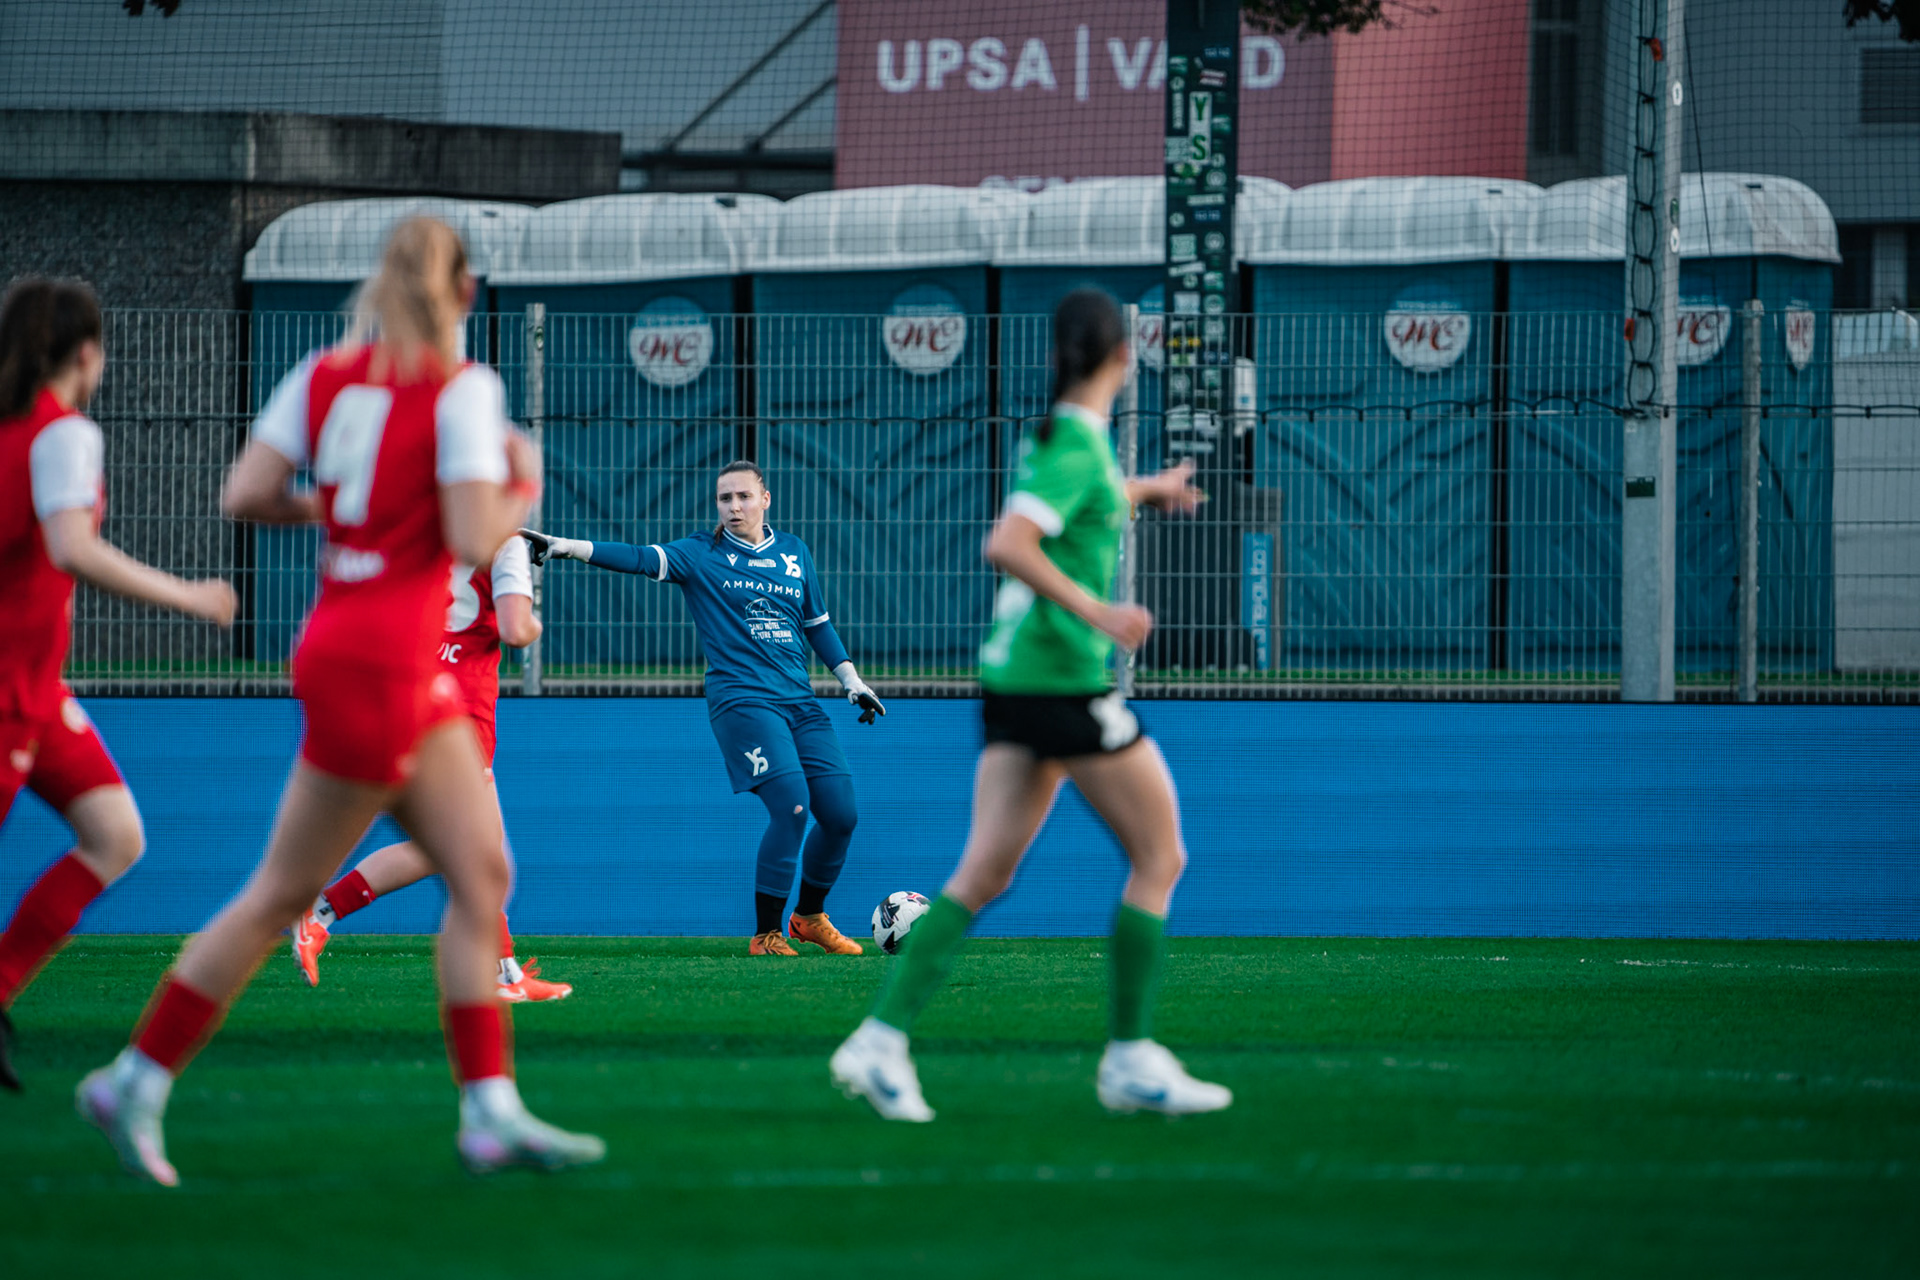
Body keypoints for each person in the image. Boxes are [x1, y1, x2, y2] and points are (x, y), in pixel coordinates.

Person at [75, 217, 604, 1184]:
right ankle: (137, 1076)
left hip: (342, 642)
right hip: (398, 654)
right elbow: (467, 526)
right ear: (463, 292)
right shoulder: (464, 388)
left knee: (476, 872)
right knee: (351, 885)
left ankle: (487, 1109)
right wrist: (519, 483)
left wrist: (348, 508)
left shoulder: (324, 374)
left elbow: (245, 493)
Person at [828, 288, 1232, 1122]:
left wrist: (1145, 489)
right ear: (1125, 359)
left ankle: (879, 1041)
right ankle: (1129, 1058)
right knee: (1161, 857)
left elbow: (1073, 500)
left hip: (1014, 683)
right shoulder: (1077, 444)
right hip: (1062, 682)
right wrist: (1103, 614)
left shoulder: (1058, 437)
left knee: (985, 872)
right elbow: (1009, 543)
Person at [0, 279, 237, 1093]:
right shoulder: (64, 435)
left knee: (115, 835)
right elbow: (71, 547)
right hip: (9, 690)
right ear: (87, 354)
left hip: (35, 687)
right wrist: (192, 596)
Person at [519, 460, 884, 956]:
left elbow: (817, 623)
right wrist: (565, 547)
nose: (733, 507)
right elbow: (638, 557)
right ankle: (766, 934)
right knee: (793, 807)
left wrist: (851, 681)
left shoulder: (795, 553)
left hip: (801, 701)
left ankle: (809, 917)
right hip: (743, 701)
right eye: (724, 498)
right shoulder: (701, 553)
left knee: (841, 815)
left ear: (765, 499)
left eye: (743, 497)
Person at [290, 537, 573, 1003]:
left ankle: (320, 912)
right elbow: (517, 630)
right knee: (486, 855)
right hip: (460, 709)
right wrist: (536, 616)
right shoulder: (502, 541)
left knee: (454, 850)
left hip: (410, 687)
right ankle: (500, 975)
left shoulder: (430, 526)